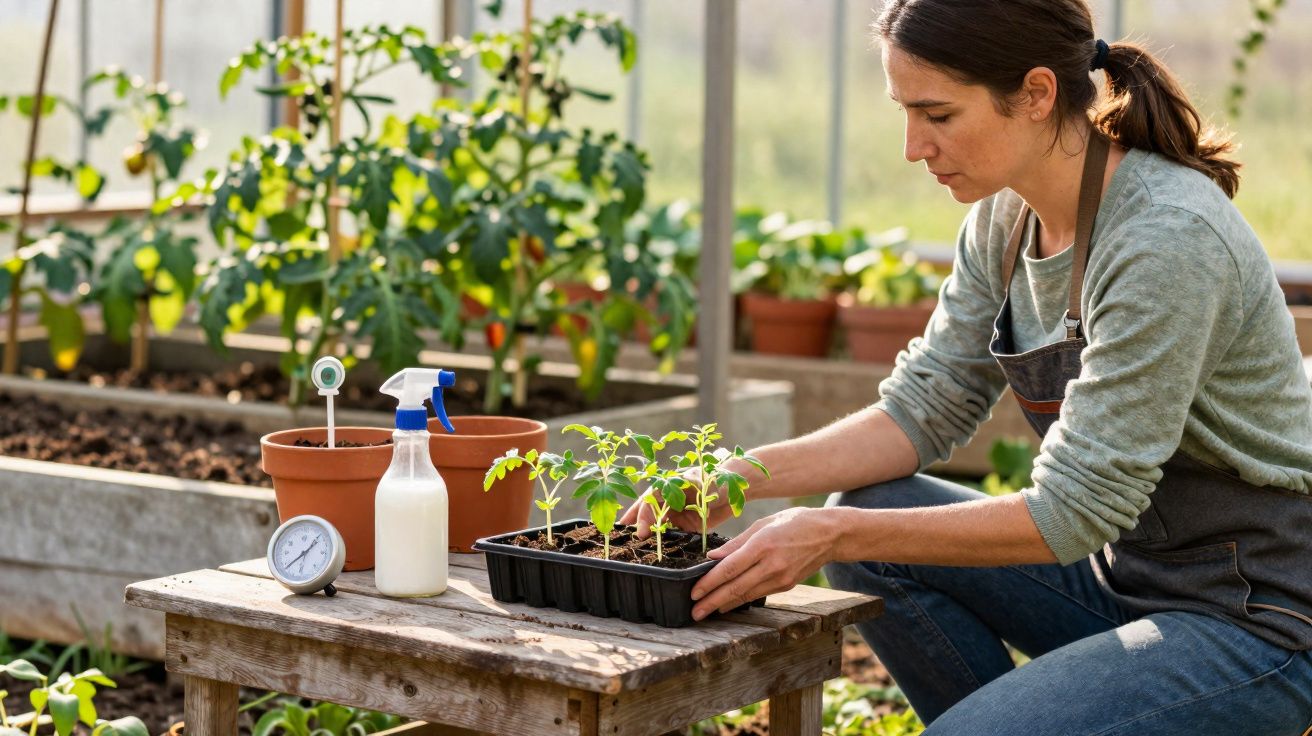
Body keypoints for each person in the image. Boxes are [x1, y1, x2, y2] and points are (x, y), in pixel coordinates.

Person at [620, 1, 1312, 732]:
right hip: (1127, 582)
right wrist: (740, 476)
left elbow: (1070, 513)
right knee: (867, 513)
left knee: (852, 534)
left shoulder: (1166, 240)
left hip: (1255, 618)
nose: (913, 147)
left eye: (938, 115)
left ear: (1038, 95)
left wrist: (828, 538)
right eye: (905, 112)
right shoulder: (1006, 219)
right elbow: (926, 405)